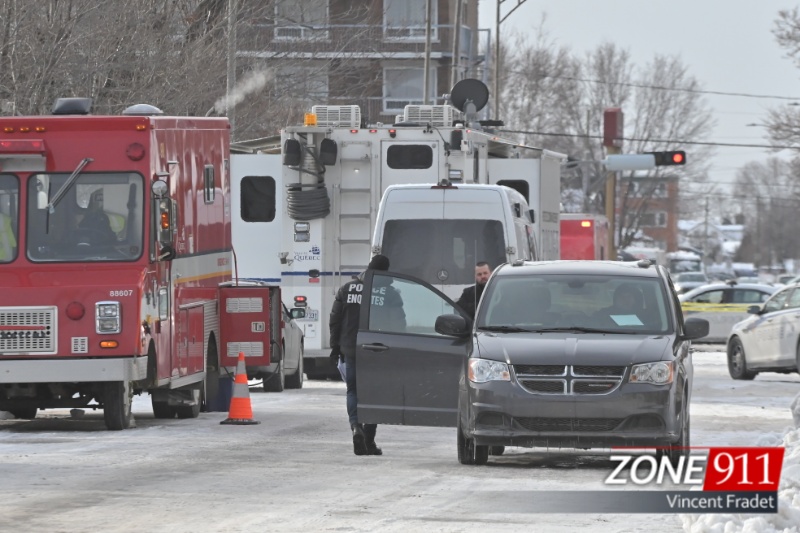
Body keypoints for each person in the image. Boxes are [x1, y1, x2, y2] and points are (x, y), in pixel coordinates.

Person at [329, 254, 399, 456]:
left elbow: (335, 321)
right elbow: (398, 322)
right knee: (376, 393)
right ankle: (369, 438)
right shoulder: (390, 293)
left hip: (351, 349)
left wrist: (335, 347)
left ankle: (355, 427)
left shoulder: (346, 289)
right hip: (378, 350)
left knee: (353, 391)